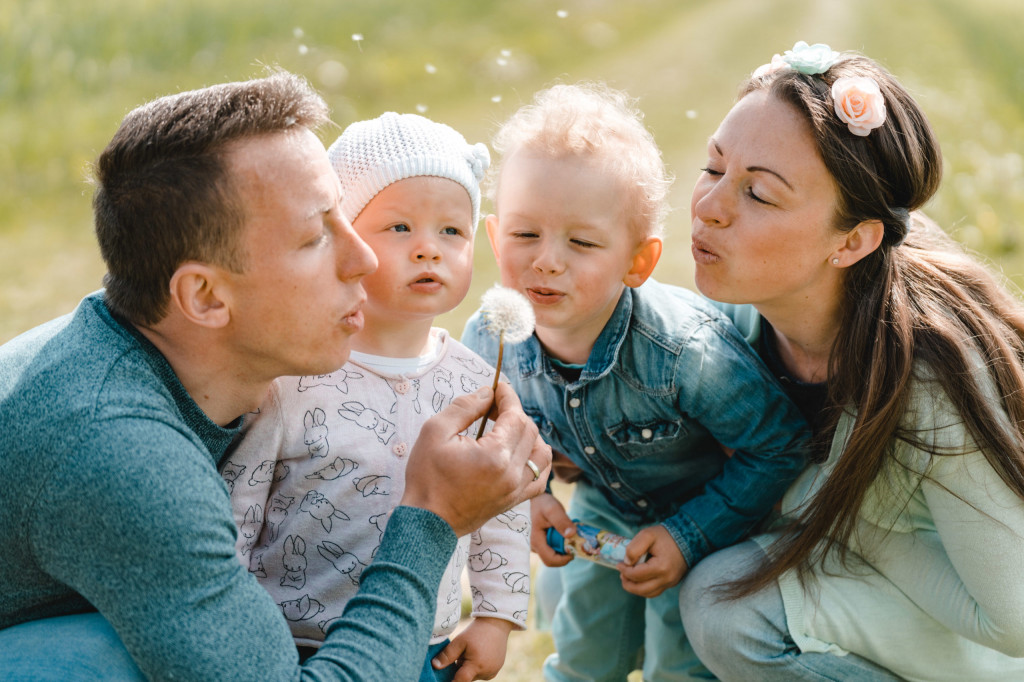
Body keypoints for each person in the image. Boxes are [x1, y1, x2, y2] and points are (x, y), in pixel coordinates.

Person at [0, 71, 551, 681]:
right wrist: (432, 519)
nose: (365, 258)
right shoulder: (124, 455)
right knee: (102, 660)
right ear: (206, 297)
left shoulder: (162, 348)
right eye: (317, 236)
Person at [679, 41, 1024, 681]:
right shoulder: (739, 319)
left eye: (758, 193)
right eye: (713, 168)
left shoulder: (931, 372)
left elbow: (1012, 620)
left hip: (978, 645)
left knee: (725, 605)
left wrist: (827, 514)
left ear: (852, 241)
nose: (709, 207)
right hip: (860, 578)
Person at [461, 82, 811, 682]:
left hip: (711, 515)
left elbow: (779, 444)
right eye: (525, 235)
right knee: (584, 650)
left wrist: (688, 536)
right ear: (494, 238)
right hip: (605, 508)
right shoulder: (492, 338)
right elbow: (490, 436)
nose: (546, 260)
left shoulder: (682, 351)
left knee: (680, 660)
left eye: (582, 241)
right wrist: (533, 496)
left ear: (637, 262)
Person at [222, 111, 530, 682]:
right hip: (292, 643)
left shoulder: (476, 385)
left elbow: (502, 504)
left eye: (451, 231)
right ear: (344, 241)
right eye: (399, 229)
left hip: (424, 643)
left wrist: (494, 616)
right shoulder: (294, 378)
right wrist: (232, 621)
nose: (428, 250)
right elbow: (240, 505)